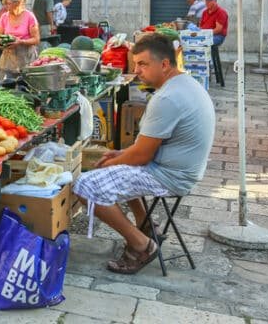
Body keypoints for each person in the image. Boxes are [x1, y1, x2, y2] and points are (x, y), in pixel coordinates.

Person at [72, 33, 215, 274]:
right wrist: (119, 155)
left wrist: (114, 161)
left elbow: (141, 157)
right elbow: (142, 150)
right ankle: (146, 224)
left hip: (171, 175)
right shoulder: (186, 83)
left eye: (143, 64)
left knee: (85, 185)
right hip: (179, 167)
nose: (136, 70)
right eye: (135, 63)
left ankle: (142, 244)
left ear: (165, 64)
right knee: (117, 163)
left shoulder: (168, 98)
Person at [0, 0, 41, 79]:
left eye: (8, 4)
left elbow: (36, 39)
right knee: (5, 88)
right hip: (8, 59)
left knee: (26, 89)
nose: (6, 7)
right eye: (5, 4)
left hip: (26, 59)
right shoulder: (4, 17)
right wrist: (2, 44)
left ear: (18, 3)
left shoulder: (29, 16)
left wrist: (21, 42)